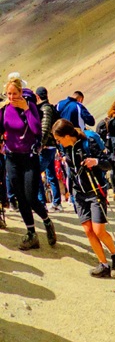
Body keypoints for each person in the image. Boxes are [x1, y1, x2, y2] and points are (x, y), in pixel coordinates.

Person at [51, 119, 115, 278]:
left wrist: (95, 161)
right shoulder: (64, 147)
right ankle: (103, 264)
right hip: (79, 193)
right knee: (88, 231)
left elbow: (111, 162)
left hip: (95, 190)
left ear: (68, 135)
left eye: (59, 138)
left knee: (99, 230)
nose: (57, 142)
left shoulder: (89, 142)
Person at [3, 77, 56, 250]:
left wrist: (26, 109)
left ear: (21, 93)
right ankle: (31, 233)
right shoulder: (4, 110)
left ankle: (47, 222)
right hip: (11, 157)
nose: (11, 97)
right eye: (8, 94)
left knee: (31, 196)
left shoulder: (31, 107)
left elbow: (36, 129)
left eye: (14, 93)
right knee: (19, 196)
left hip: (29, 157)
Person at [35, 87, 61, 212]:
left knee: (36, 172)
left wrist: (40, 145)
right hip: (51, 146)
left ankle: (41, 203)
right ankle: (56, 202)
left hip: (46, 147)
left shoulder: (44, 109)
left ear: (37, 96)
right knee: (51, 175)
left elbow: (44, 129)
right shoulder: (50, 108)